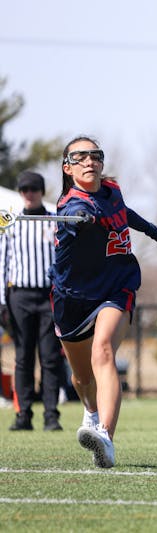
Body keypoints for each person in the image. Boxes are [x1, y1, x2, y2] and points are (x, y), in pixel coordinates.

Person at [52, 135, 157, 468]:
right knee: (81, 377)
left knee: (103, 351)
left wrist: (147, 227)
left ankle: (105, 437)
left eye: (95, 155)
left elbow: (120, 211)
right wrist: (82, 220)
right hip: (72, 296)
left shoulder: (112, 190)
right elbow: (75, 218)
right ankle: (90, 411)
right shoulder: (70, 207)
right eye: (80, 157)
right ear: (67, 168)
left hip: (117, 285)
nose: (89, 161)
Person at [1, 171, 65, 431]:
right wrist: (2, 301)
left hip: (49, 296)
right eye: (24, 189)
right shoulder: (11, 221)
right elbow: (2, 262)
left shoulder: (55, 221)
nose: (29, 194)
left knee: (50, 357)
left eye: (34, 189)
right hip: (19, 296)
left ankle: (51, 415)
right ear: (20, 192)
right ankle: (23, 414)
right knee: (23, 357)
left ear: (41, 191)